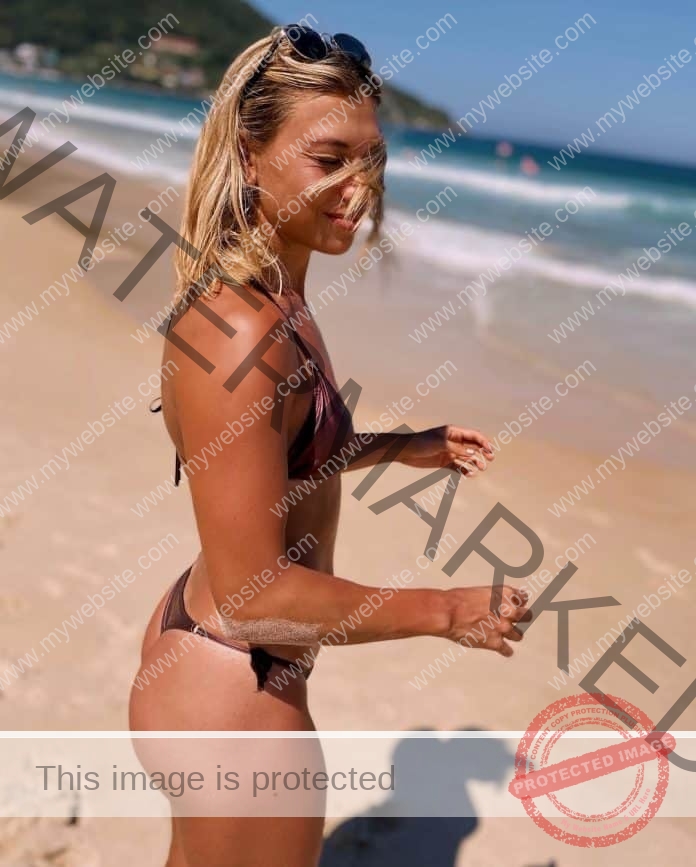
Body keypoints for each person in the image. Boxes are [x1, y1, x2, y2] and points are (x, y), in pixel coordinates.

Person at [129, 24, 531, 867]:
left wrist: (391, 445)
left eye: (372, 159)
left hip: (223, 661)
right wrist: (446, 610)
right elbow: (253, 594)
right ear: (249, 155)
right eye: (328, 159)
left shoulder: (280, 300)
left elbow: (277, 457)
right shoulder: (239, 331)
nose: (359, 187)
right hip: (233, 682)